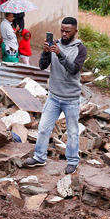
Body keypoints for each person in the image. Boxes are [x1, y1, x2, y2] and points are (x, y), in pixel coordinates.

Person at [24, 17, 87, 175]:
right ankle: (39, 157)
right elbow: (42, 66)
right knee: (44, 128)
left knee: (72, 132)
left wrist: (60, 54)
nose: (64, 34)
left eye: (68, 31)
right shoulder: (54, 44)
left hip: (71, 99)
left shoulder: (80, 49)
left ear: (75, 32)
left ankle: (72, 161)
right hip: (53, 96)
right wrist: (45, 53)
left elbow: (73, 70)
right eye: (62, 30)